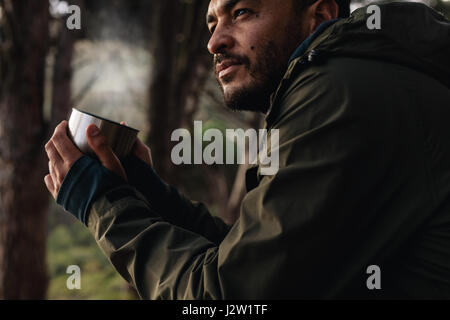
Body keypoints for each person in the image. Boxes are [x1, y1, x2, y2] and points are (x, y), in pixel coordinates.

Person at [44, 0, 450, 299]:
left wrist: (101, 203)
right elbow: (259, 259)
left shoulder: (340, 93)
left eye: (241, 13)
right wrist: (146, 195)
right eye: (211, 21)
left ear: (320, 16)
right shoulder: (359, 81)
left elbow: (230, 298)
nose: (214, 42)